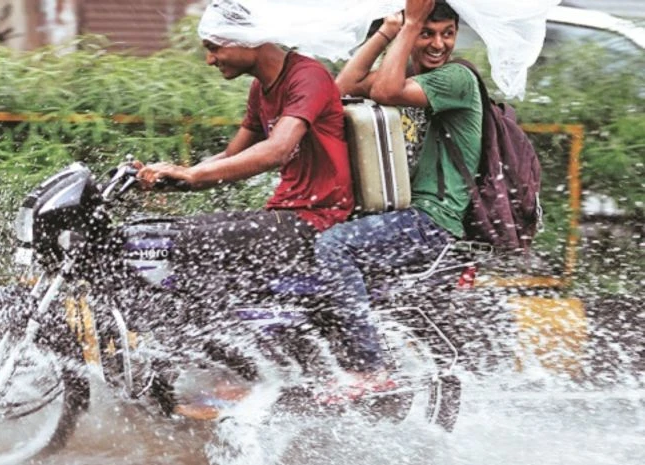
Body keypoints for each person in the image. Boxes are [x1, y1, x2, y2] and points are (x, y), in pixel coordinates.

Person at [316, 0, 483, 392]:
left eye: (447, 33)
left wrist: (409, 27)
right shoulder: (410, 76)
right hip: (408, 215)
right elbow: (340, 90)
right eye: (428, 33)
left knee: (334, 246)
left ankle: (369, 367)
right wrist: (387, 32)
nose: (438, 44)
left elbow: (387, 91)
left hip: (433, 220)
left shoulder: (457, 78)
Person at [135, 1, 354, 293]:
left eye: (214, 47)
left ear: (247, 40)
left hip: (319, 219)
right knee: (162, 233)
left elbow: (277, 149)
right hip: (284, 212)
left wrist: (193, 175)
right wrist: (174, 176)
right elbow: (230, 156)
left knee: (182, 242)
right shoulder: (260, 89)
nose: (210, 60)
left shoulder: (307, 76)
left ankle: (209, 331)